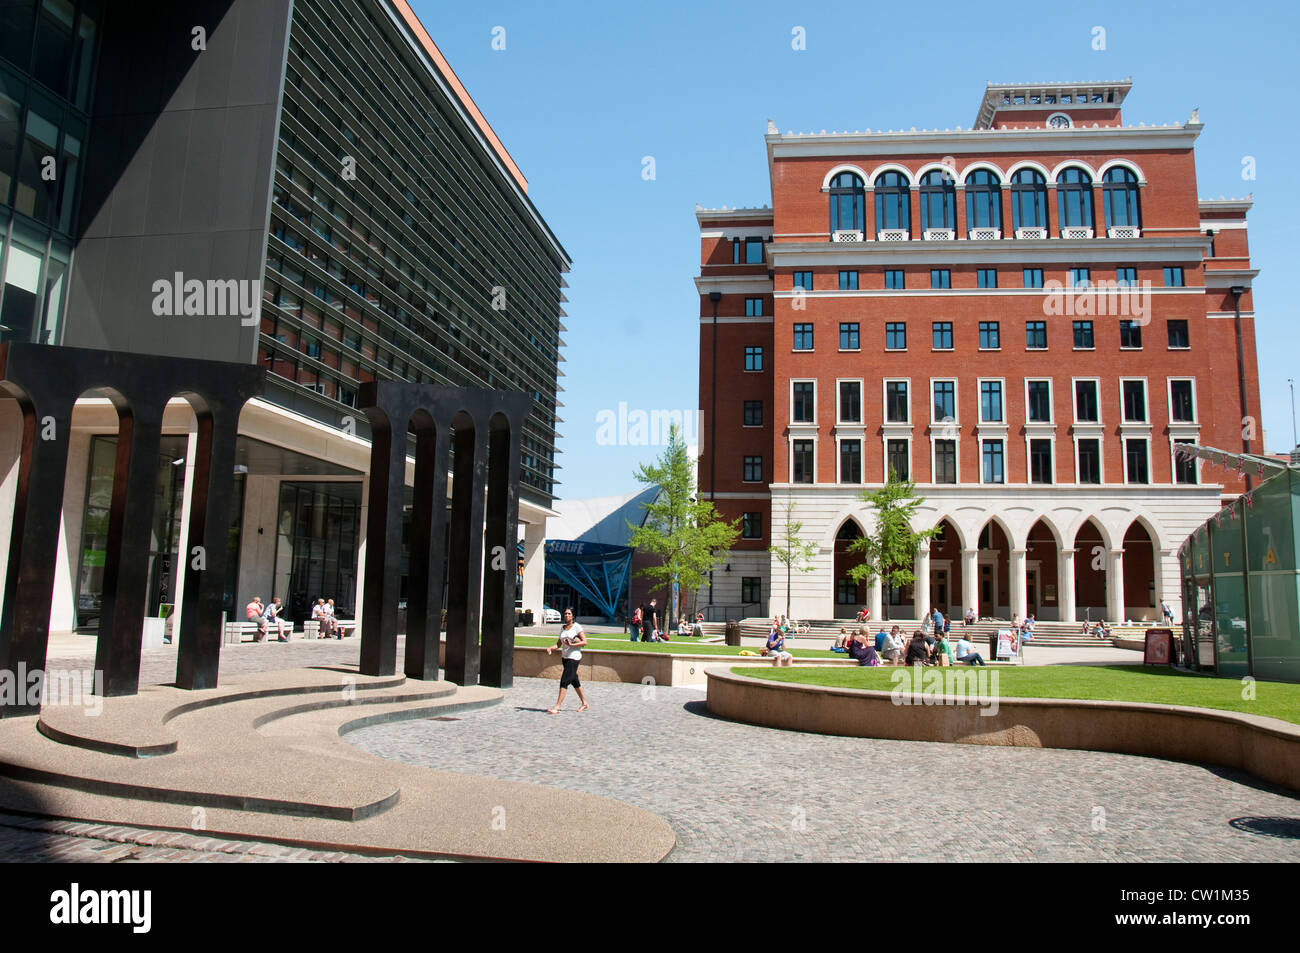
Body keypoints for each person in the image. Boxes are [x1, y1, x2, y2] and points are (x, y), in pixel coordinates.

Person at [545, 608, 588, 714]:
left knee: (564, 681)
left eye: (569, 614)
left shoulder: (577, 627)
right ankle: (584, 703)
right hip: (565, 657)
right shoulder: (563, 628)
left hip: (574, 657)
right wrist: (550, 648)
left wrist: (572, 645)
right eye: (565, 613)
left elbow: (584, 642)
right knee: (574, 681)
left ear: (573, 616)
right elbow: (558, 644)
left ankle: (557, 706)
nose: (567, 615)